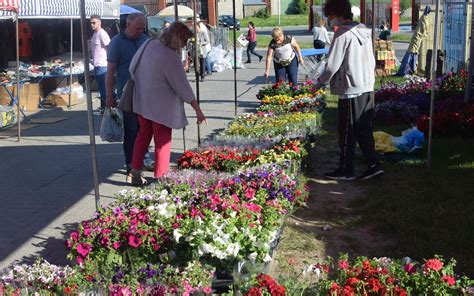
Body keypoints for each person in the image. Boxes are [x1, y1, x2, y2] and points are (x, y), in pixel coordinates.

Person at [128, 22, 207, 186]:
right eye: (185, 40)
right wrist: (197, 109)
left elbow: (132, 68)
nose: (185, 45)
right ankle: (161, 177)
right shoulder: (170, 56)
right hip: (161, 108)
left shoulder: (148, 44)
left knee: (142, 137)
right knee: (162, 141)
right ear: (178, 38)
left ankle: (135, 172)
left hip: (142, 102)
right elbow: (182, 87)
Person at [315, 0, 384, 181]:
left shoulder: (342, 34)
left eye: (330, 16)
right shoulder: (364, 31)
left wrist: (319, 83)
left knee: (346, 131)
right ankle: (373, 165)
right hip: (367, 86)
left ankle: (346, 170)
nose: (330, 20)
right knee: (364, 129)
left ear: (336, 14)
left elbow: (331, 66)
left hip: (351, 88)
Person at [105, 13, 152, 181]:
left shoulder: (144, 38)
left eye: (142, 28)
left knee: (144, 129)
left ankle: (142, 159)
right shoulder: (117, 43)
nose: (140, 31)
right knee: (132, 130)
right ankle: (131, 165)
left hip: (145, 93)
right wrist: (109, 95)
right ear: (127, 25)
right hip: (128, 94)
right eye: (137, 28)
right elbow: (110, 71)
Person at [396, 6, 431, 76]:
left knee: (412, 51)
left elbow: (424, 29)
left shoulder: (423, 18)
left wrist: (424, 33)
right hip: (417, 38)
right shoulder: (424, 18)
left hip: (417, 38)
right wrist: (425, 34)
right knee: (412, 51)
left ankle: (409, 69)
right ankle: (409, 70)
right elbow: (424, 29)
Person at [90, 15, 111, 115]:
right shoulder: (95, 34)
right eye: (91, 23)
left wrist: (110, 63)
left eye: (94, 23)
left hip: (103, 66)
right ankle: (104, 108)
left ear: (99, 22)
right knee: (102, 89)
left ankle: (107, 108)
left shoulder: (102, 34)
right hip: (97, 65)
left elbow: (110, 48)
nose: (92, 25)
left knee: (104, 89)